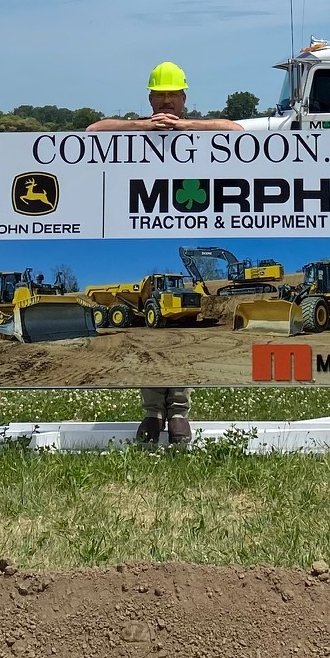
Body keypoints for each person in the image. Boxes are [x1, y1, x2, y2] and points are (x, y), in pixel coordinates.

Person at [88, 61, 242, 448]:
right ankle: (152, 412)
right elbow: (93, 131)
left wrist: (188, 129)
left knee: (180, 335)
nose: (168, 101)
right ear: (150, 97)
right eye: (161, 95)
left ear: (185, 98)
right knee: (155, 339)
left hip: (191, 223)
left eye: (174, 95)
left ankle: (179, 412)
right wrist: (141, 127)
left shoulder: (200, 129)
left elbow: (235, 130)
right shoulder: (136, 129)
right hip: (147, 224)